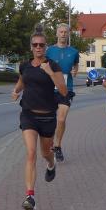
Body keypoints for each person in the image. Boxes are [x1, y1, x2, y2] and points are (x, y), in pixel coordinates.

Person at [12, 25, 68, 210]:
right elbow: (22, 81)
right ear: (31, 47)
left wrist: (50, 73)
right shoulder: (25, 66)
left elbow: (63, 91)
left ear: (46, 47)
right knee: (31, 153)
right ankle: (30, 196)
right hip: (28, 115)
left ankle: (51, 164)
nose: (38, 48)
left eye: (41, 45)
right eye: (35, 45)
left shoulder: (53, 65)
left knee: (45, 153)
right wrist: (16, 91)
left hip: (47, 118)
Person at [46, 23, 79, 163]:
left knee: (61, 119)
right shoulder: (49, 51)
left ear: (69, 34)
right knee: (49, 120)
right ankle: (49, 142)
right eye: (61, 32)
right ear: (57, 33)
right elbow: (43, 66)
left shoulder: (74, 52)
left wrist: (75, 71)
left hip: (66, 88)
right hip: (50, 88)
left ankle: (57, 146)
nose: (63, 34)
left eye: (66, 32)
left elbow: (76, 66)